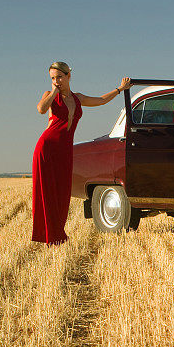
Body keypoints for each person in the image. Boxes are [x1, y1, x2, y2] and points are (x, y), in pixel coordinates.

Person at [32, 61, 130, 244]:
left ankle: (57, 234)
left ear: (69, 76)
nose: (56, 81)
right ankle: (48, 236)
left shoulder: (78, 98)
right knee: (47, 192)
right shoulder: (50, 96)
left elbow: (100, 100)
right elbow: (41, 109)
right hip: (47, 148)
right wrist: (53, 92)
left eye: (59, 77)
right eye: (52, 78)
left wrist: (120, 89)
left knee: (62, 193)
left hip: (65, 150)